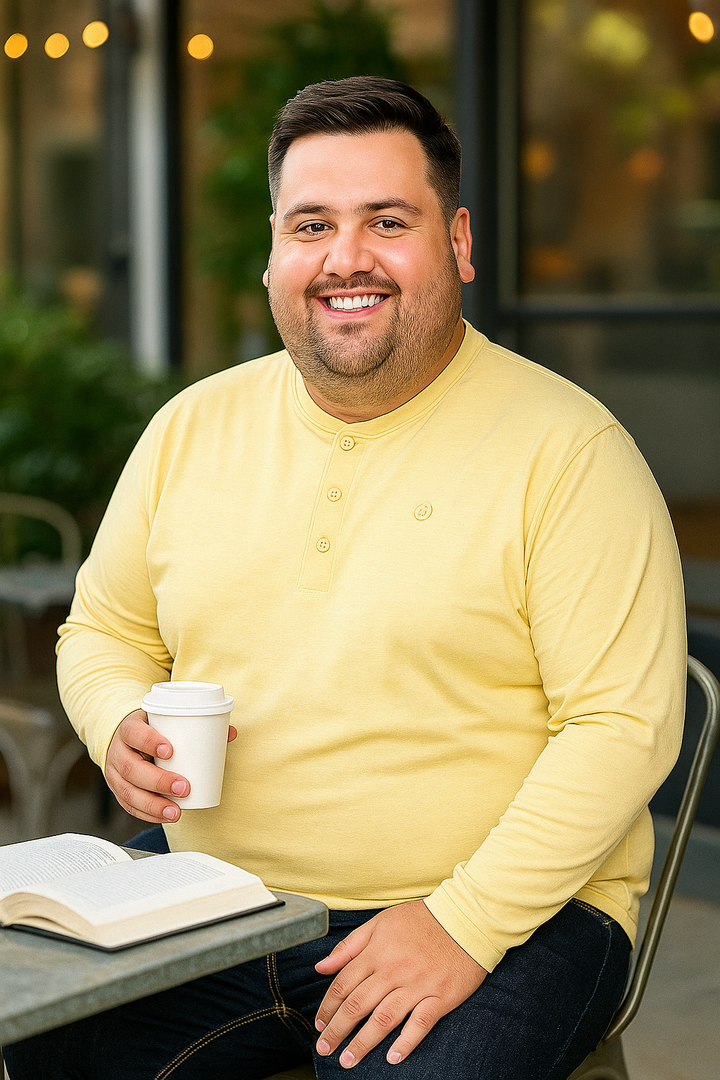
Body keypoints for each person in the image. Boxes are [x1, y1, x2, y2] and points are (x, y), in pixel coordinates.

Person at [3, 77, 686, 1080]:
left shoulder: (570, 451)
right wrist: (115, 724)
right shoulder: (191, 429)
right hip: (212, 901)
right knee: (53, 1048)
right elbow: (103, 630)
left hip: (510, 910)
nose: (345, 258)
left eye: (387, 221)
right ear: (274, 251)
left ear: (457, 243)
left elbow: (625, 726)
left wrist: (463, 921)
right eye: (312, 223)